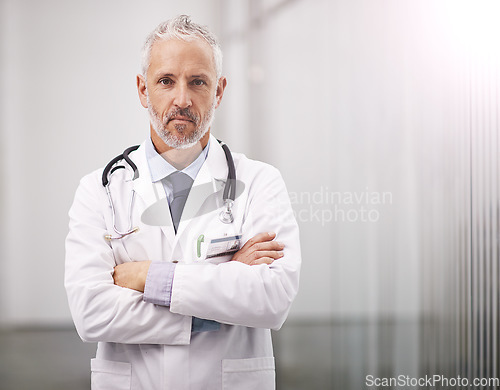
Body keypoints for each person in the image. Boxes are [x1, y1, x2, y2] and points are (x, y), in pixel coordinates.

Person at [65, 15, 301, 390]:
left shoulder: (259, 182)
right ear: (143, 90)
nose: (182, 99)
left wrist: (147, 276)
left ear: (219, 91)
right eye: (165, 81)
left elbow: (272, 299)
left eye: (198, 82)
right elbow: (91, 313)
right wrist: (216, 305)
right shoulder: (100, 190)